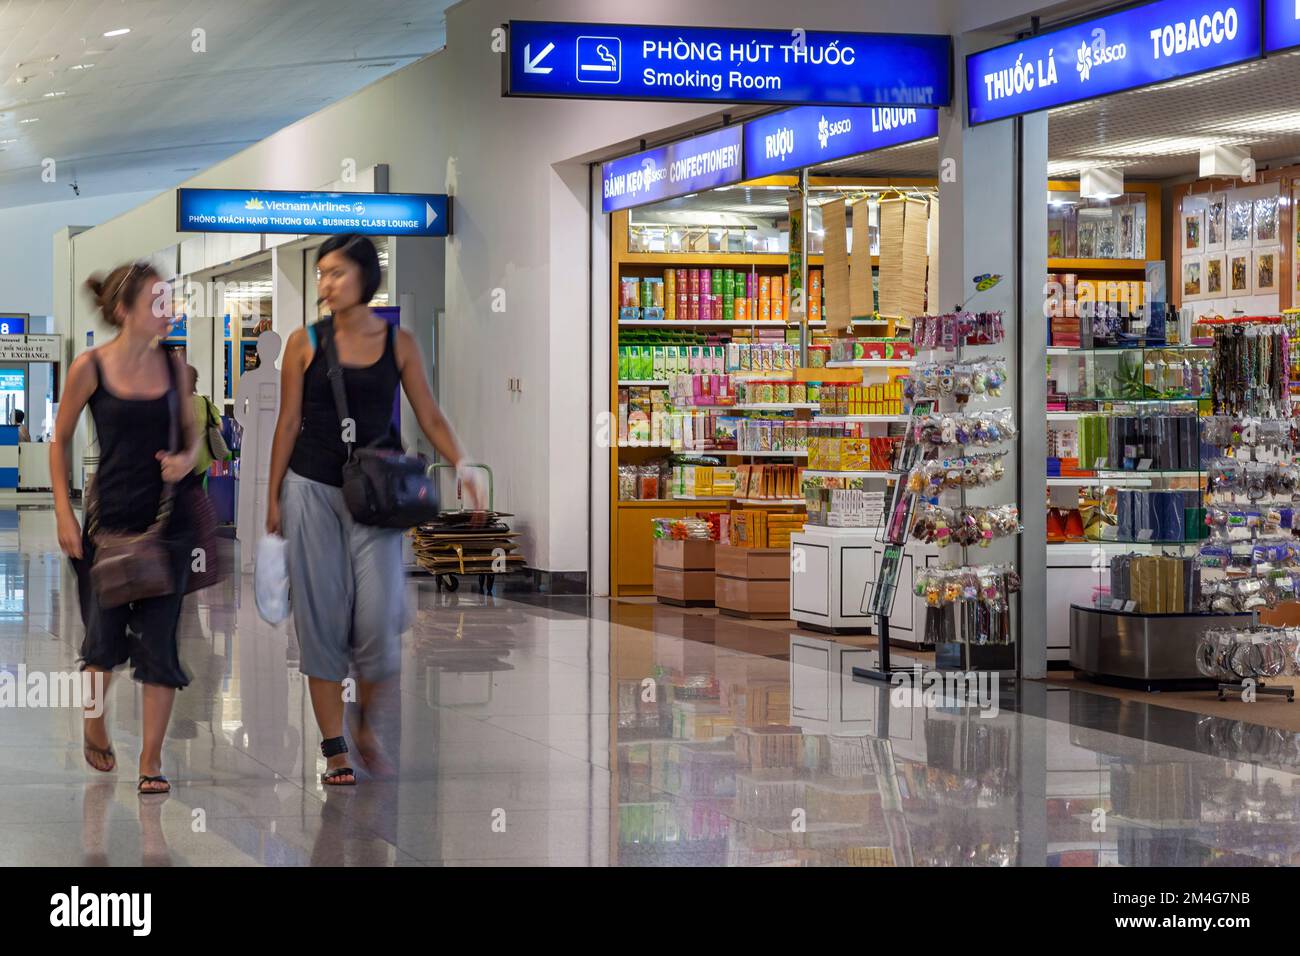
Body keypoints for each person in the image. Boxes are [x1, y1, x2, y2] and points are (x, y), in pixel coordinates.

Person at [266, 233, 484, 786]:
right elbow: (287, 423)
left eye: (337, 272)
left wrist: (463, 464)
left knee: (377, 620)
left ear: (365, 277)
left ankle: (365, 722)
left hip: (375, 496)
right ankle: (335, 747)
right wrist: (272, 496)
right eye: (321, 273)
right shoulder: (303, 343)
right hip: (312, 489)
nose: (326, 283)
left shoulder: (398, 343)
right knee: (321, 617)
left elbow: (429, 414)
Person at [50, 261, 200, 796]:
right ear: (124, 310)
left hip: (166, 524)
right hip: (106, 522)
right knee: (102, 642)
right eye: (156, 300)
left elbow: (193, 441)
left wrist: (184, 461)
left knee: (160, 645)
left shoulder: (175, 368)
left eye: (169, 299)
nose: (168, 309)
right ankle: (94, 722)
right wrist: (64, 512)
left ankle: (151, 761)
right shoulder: (90, 366)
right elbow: (59, 439)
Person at [187, 364, 224, 483]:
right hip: (201, 459)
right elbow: (219, 425)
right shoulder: (204, 402)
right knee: (196, 487)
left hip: (181, 458)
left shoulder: (174, 402)